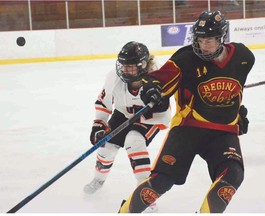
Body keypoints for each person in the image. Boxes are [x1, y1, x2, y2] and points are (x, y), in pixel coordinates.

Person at [119, 10, 255, 213]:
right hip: (188, 128)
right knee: (161, 181)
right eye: (200, 39)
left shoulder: (244, 58)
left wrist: (236, 112)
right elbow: (155, 79)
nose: (203, 45)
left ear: (221, 38)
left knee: (233, 175)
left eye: (209, 40)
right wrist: (151, 88)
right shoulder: (185, 59)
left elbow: (236, 89)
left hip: (223, 132)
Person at [83, 41, 171, 213]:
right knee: (106, 146)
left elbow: (165, 114)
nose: (125, 70)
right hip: (124, 113)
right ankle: (99, 180)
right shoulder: (113, 78)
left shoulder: (157, 79)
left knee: (134, 141)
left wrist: (143, 116)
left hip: (151, 119)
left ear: (144, 65)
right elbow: (103, 103)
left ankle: (146, 195)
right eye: (123, 66)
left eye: (130, 67)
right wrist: (98, 127)